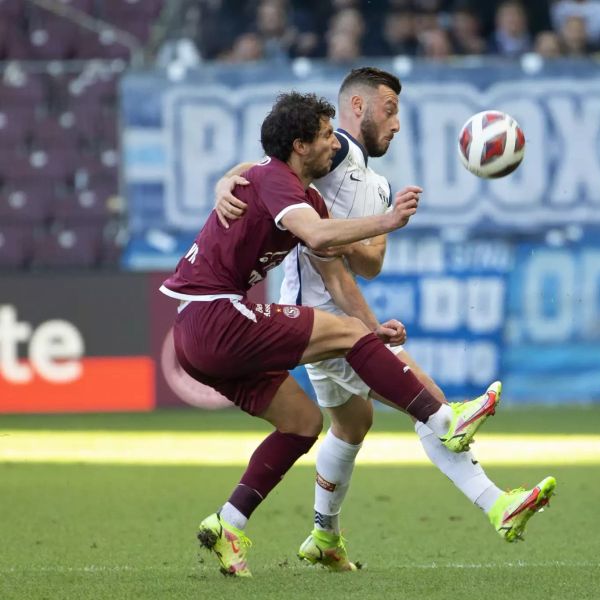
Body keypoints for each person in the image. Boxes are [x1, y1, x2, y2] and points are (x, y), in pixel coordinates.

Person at [214, 67, 557, 571]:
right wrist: (228, 178)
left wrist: (363, 226)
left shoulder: (377, 182)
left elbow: (370, 263)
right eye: (390, 110)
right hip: (323, 323)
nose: (397, 124)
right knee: (433, 405)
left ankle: (324, 538)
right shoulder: (337, 152)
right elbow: (270, 163)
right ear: (357, 107)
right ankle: (497, 504)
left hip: (334, 319)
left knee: (353, 423)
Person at [162, 91, 502, 578]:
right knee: (340, 340)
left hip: (196, 335)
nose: (332, 145)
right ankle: (443, 419)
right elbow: (319, 237)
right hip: (213, 315)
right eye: (324, 136)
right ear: (300, 146)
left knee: (302, 423)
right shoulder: (275, 180)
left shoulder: (305, 194)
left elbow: (337, 277)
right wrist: (388, 221)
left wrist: (372, 330)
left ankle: (227, 523)